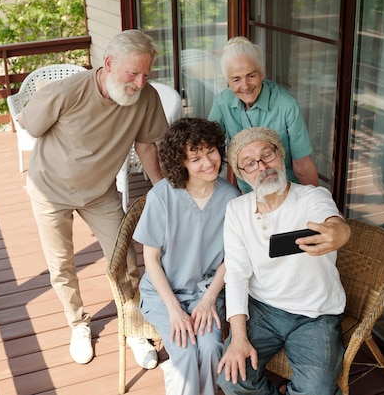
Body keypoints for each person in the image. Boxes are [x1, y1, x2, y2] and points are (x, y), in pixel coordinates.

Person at [17, 29, 169, 366]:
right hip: (49, 191)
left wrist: (160, 186)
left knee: (125, 259)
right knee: (61, 263)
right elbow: (28, 124)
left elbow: (146, 145)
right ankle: (78, 323)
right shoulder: (67, 91)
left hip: (99, 192)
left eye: (146, 74)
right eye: (133, 73)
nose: (140, 82)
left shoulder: (145, 97)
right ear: (109, 63)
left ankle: (133, 327)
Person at [216, 127, 351, 395]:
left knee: (317, 390)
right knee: (230, 378)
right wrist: (239, 338)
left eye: (268, 154)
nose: (263, 166)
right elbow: (237, 274)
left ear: (282, 155)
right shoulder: (237, 210)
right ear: (242, 175)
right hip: (263, 309)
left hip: (315, 313)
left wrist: (339, 232)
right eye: (250, 163)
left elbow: (333, 222)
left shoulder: (312, 196)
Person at [133, 118, 240, 395]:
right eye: (196, 158)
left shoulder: (231, 197)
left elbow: (233, 257)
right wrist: (173, 309)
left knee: (210, 346)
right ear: (181, 162)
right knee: (184, 350)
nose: (208, 162)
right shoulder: (161, 197)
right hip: (164, 293)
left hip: (207, 291)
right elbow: (151, 260)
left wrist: (208, 300)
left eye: (211, 151)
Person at [207, 36, 319, 193]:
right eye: (236, 79)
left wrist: (318, 201)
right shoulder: (222, 102)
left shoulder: (286, 105)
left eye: (251, 75)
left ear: (261, 73)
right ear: (228, 81)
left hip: (286, 189)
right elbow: (207, 146)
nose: (245, 86)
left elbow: (302, 165)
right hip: (249, 191)